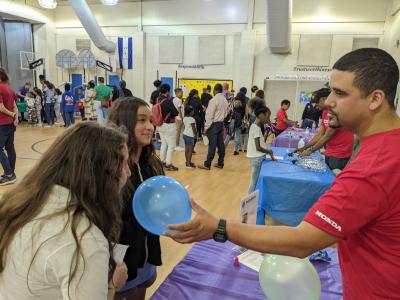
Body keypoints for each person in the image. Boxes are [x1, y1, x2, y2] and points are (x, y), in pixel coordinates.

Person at [166, 48, 400, 300]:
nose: (329, 101)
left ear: (375, 99)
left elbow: (302, 241)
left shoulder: (373, 167)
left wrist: (219, 227)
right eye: (331, 90)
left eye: (340, 93)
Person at [0, 122, 130, 299]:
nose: (128, 173)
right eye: (123, 164)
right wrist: (112, 283)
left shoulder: (20, 202)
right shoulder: (84, 240)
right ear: (102, 173)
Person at [108, 97, 165, 300]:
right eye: (141, 120)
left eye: (150, 120)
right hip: (121, 261)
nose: (149, 126)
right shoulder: (112, 169)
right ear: (124, 123)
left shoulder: (152, 164)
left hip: (147, 256)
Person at [297, 88, 354, 171]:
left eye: (317, 102)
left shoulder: (336, 111)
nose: (315, 105)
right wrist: (304, 147)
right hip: (330, 151)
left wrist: (310, 151)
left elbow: (327, 136)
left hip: (340, 154)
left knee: (334, 179)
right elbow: (320, 134)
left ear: (324, 99)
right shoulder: (325, 112)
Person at [198, 84, 228, 170]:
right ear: (221, 90)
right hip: (220, 124)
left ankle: (207, 164)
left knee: (212, 145)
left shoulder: (213, 100)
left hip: (213, 125)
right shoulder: (225, 100)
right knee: (221, 144)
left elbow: (209, 116)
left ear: (214, 90)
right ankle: (220, 162)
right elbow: (227, 112)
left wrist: (206, 128)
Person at [247, 106, 274, 193]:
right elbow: (258, 147)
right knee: (254, 182)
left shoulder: (257, 127)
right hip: (257, 159)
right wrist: (268, 151)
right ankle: (248, 202)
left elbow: (261, 142)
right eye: (268, 116)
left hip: (258, 158)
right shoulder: (255, 127)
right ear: (261, 115)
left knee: (255, 181)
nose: (269, 119)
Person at [0, 68, 18, 186]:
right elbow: (14, 106)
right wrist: (15, 118)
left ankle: (9, 174)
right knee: (10, 148)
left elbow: (1, 108)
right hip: (10, 123)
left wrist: (12, 115)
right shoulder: (10, 89)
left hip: (2, 123)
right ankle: (11, 173)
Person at [156, 84, 179, 171]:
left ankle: (162, 162)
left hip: (160, 125)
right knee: (171, 145)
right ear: (167, 91)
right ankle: (168, 164)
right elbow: (176, 112)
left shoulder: (158, 99)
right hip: (168, 125)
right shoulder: (167, 101)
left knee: (164, 143)